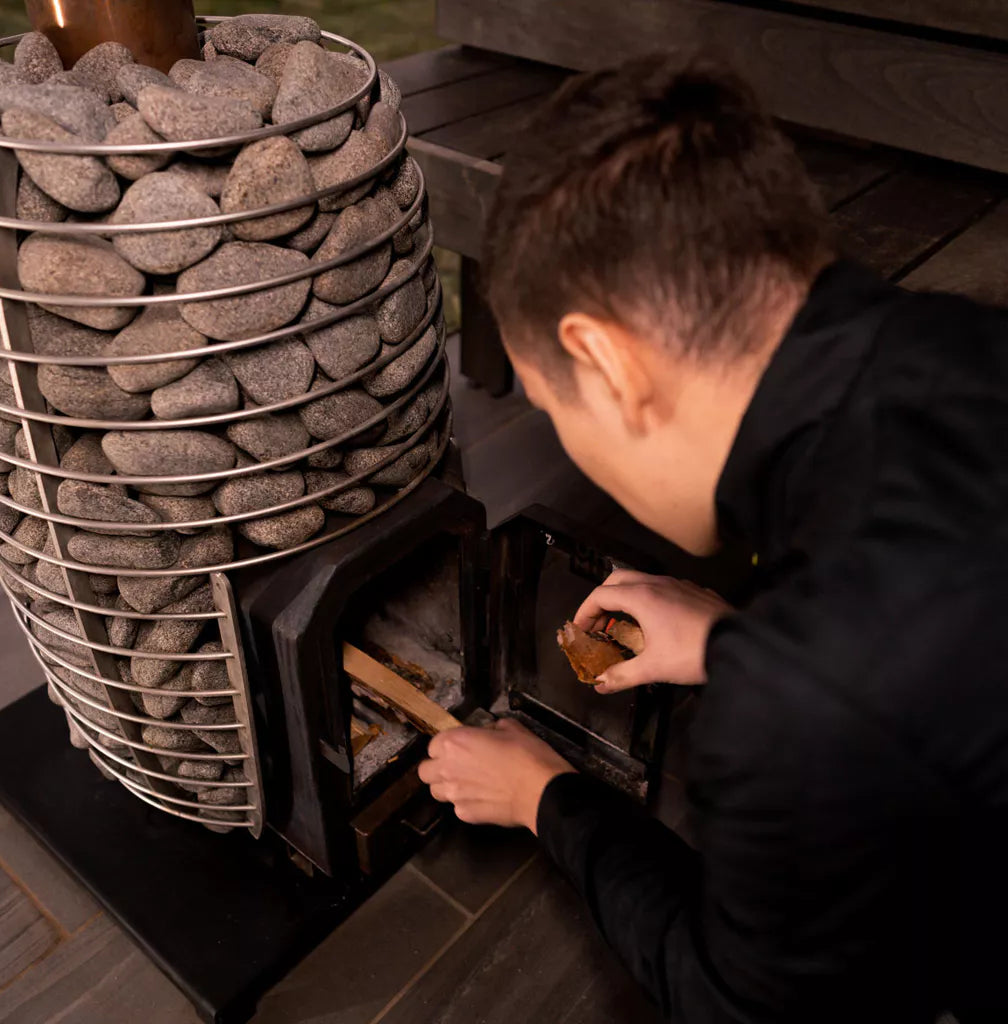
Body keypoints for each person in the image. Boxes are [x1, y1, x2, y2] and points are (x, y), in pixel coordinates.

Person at [416, 51, 1008, 1024]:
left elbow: (736, 1000)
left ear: (604, 362)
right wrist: (734, 637)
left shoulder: (793, 708)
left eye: (547, 399)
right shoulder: (952, 337)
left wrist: (547, 797)